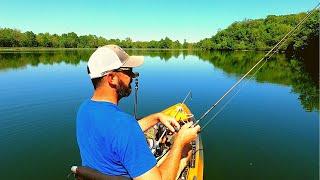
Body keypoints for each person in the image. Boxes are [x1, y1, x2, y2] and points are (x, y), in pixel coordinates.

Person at [76, 45, 200, 180]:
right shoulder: (124, 125)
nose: (133, 76)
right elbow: (124, 132)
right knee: (185, 153)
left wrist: (156, 117)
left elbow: (117, 134)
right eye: (128, 71)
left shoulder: (84, 109)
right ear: (111, 78)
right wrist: (180, 141)